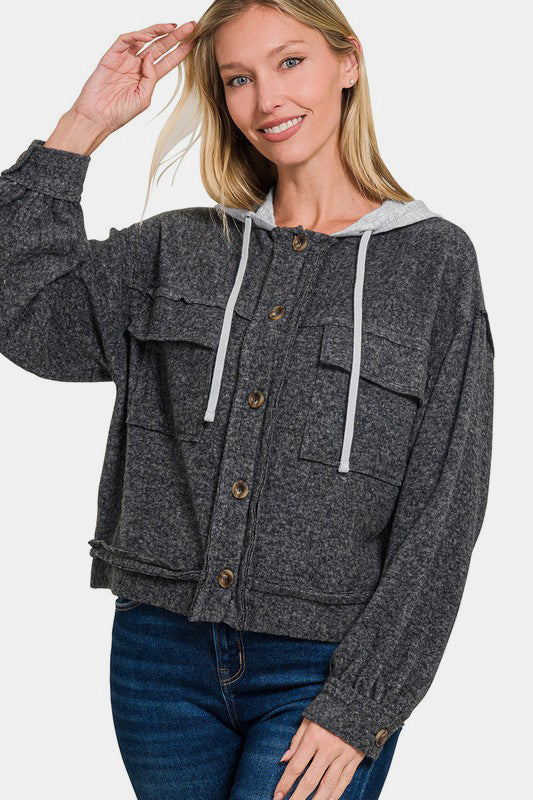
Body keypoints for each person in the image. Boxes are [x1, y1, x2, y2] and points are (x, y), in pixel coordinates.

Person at [0, 2, 494, 799]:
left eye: (289, 61)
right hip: (159, 661)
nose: (267, 98)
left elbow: (446, 503)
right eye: (238, 78)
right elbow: (27, 314)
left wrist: (362, 702)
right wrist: (82, 126)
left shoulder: (433, 263)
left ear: (347, 61)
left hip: (322, 665)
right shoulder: (178, 245)